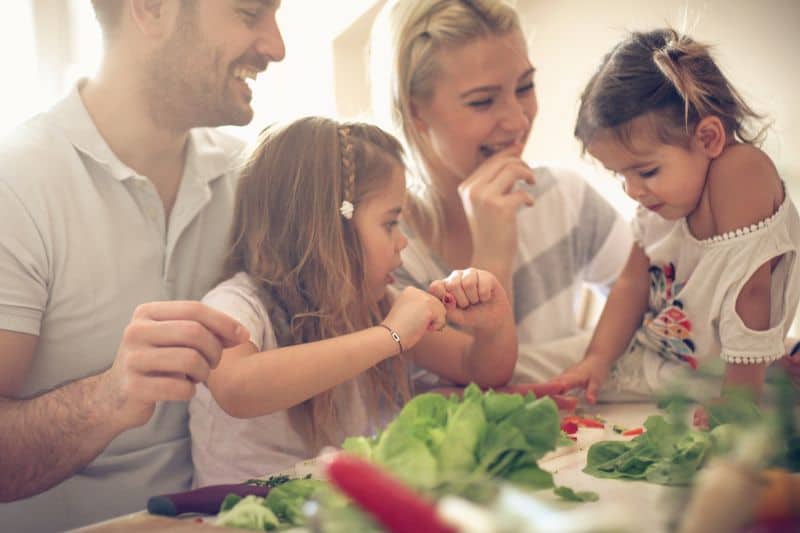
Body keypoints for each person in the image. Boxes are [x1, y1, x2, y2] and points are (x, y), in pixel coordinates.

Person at [0, 1, 284, 530]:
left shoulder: (250, 178)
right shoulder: (14, 186)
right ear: (151, 9)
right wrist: (107, 398)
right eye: (250, 13)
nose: (277, 46)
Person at [189, 117, 518, 486]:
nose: (402, 242)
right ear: (328, 228)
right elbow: (237, 388)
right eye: (390, 223)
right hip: (236, 518)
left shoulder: (371, 304)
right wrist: (389, 335)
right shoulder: (236, 304)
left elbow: (482, 370)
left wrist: (493, 325)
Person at [368, 0, 633, 388]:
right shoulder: (385, 251)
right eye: (482, 101)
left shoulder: (567, 197)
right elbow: (481, 384)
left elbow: (667, 321)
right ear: (415, 111)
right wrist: (493, 255)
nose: (518, 120)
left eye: (525, 87)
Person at [544, 28, 800, 407]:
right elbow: (631, 286)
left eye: (645, 171)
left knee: (530, 375)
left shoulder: (739, 170)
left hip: (729, 373)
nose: (631, 190)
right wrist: (597, 358)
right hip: (666, 362)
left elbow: (752, 292)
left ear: (709, 138)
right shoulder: (659, 207)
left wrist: (738, 406)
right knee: (541, 373)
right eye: (621, 176)